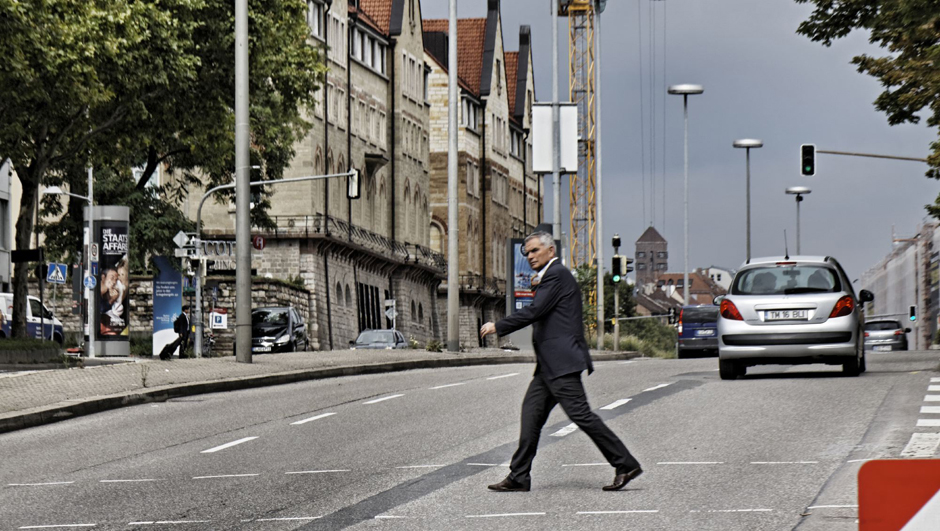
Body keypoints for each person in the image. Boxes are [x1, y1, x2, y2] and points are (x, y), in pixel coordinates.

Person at [480, 231, 643, 492]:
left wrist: (498, 325)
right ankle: (519, 476)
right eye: (527, 252)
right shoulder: (549, 277)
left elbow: (536, 311)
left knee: (582, 416)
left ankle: (625, 463)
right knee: (530, 415)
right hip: (549, 366)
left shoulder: (556, 274)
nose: (530, 256)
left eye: (535, 250)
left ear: (550, 251)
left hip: (561, 363)